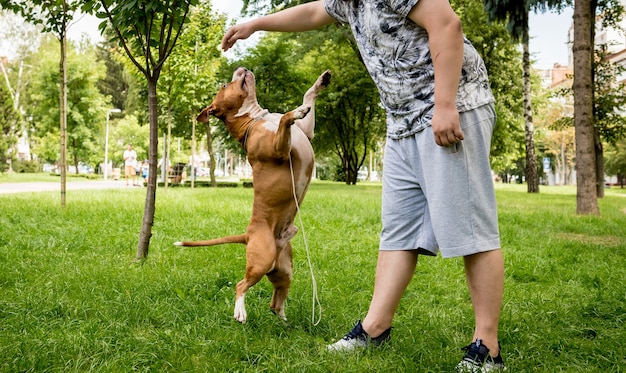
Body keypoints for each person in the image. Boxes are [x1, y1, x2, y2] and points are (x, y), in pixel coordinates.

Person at [222, 0, 505, 371]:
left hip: (448, 109)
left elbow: (447, 24)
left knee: (470, 227)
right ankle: (374, 328)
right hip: (402, 121)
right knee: (398, 231)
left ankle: (487, 348)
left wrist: (446, 104)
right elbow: (312, 13)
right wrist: (256, 24)